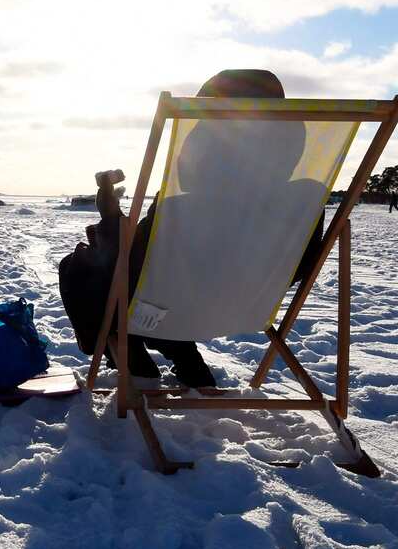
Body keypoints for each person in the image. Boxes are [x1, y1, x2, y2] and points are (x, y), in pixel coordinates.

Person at [59, 69, 324, 388]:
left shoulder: (181, 210)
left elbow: (130, 263)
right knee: (143, 280)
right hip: (252, 304)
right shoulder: (305, 200)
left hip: (177, 299)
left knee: (80, 269)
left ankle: (134, 355)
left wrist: (110, 218)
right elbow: (300, 268)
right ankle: (181, 353)